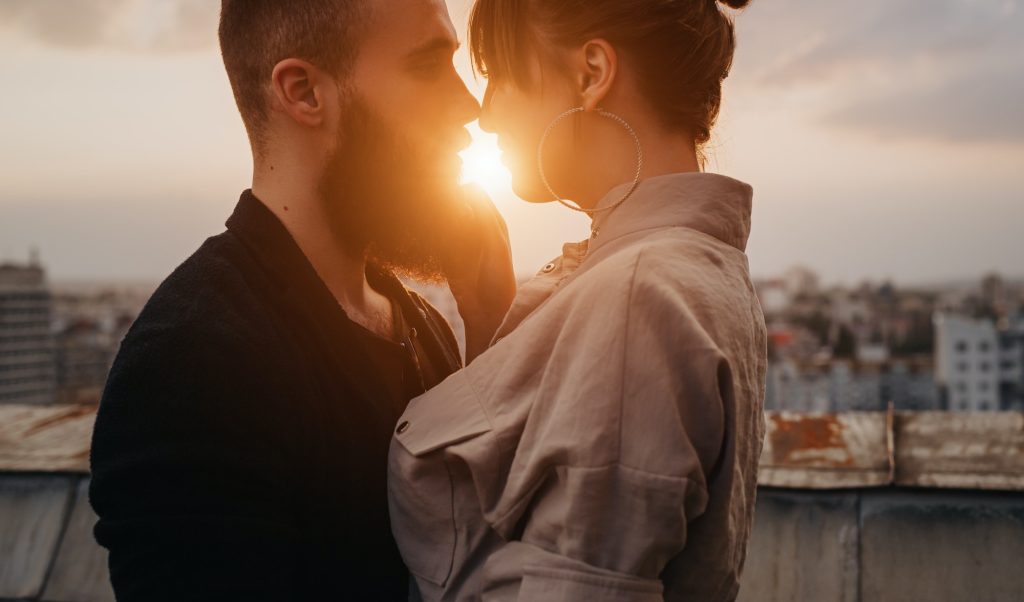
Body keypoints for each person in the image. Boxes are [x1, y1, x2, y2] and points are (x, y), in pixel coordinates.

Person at [88, 1, 514, 600]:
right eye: (427, 67)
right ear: (304, 92)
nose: (467, 105)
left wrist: (493, 321)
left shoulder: (420, 323)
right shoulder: (196, 361)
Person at [387, 0, 766, 600]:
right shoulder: (677, 271)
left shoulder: (642, 296)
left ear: (591, 74)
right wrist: (495, 315)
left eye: (503, 77)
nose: (485, 116)